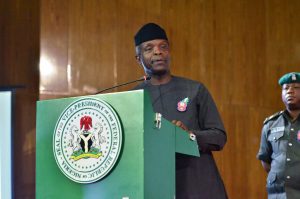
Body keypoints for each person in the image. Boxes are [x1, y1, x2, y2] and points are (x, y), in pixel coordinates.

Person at [133, 22, 228, 199]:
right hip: (154, 188)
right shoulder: (134, 98)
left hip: (198, 185)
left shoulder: (194, 90)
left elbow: (219, 137)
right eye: (149, 48)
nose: (158, 52)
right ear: (138, 58)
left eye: (163, 46)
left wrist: (189, 135)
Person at [257, 72, 300, 199]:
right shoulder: (270, 124)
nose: (290, 91)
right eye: (286, 88)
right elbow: (265, 159)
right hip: (278, 193)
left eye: (296, 87)